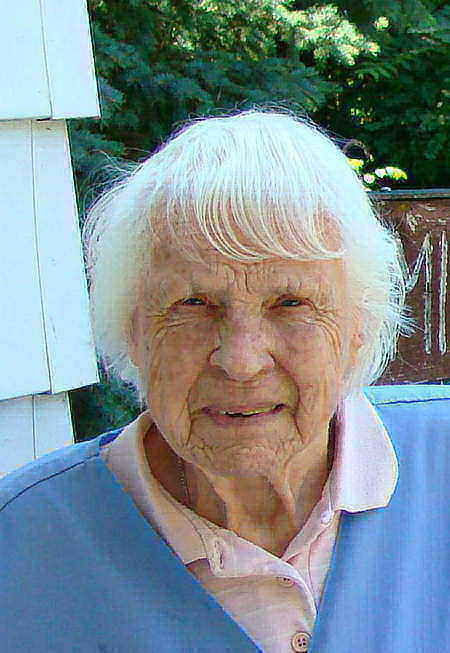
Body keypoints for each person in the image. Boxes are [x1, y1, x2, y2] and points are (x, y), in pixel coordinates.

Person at [1, 110, 449, 653]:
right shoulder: (20, 545)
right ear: (132, 328)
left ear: (359, 326)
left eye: (291, 303)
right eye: (194, 304)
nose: (242, 361)